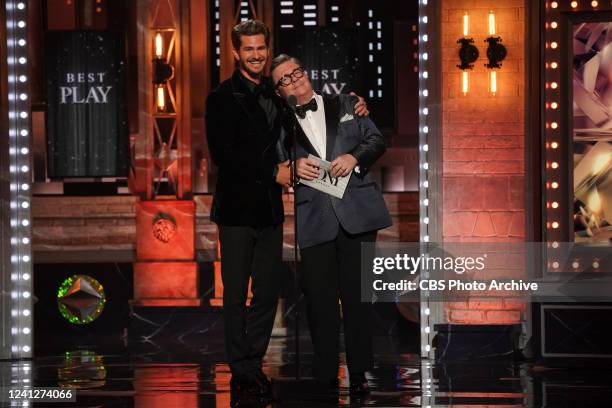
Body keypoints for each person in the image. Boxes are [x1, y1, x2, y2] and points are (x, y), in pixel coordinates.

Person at [204, 20, 369, 397]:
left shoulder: (279, 96)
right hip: (235, 211)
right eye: (248, 49)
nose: (256, 55)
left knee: (267, 294)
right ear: (235, 52)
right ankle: (241, 368)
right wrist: (274, 171)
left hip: (270, 211)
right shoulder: (220, 98)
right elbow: (223, 156)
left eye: (261, 48)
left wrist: (356, 104)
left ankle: (255, 363)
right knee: (234, 295)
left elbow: (315, 121)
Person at [271, 54, 392, 395]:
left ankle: (360, 374)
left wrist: (355, 157)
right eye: (284, 79)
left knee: (358, 300)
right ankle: (324, 374)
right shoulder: (280, 123)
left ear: (305, 73)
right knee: (319, 303)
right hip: (315, 219)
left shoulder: (348, 103)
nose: (294, 79)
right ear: (279, 91)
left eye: (296, 71)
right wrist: (291, 168)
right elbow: (276, 165)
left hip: (358, 215)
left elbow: (377, 141)